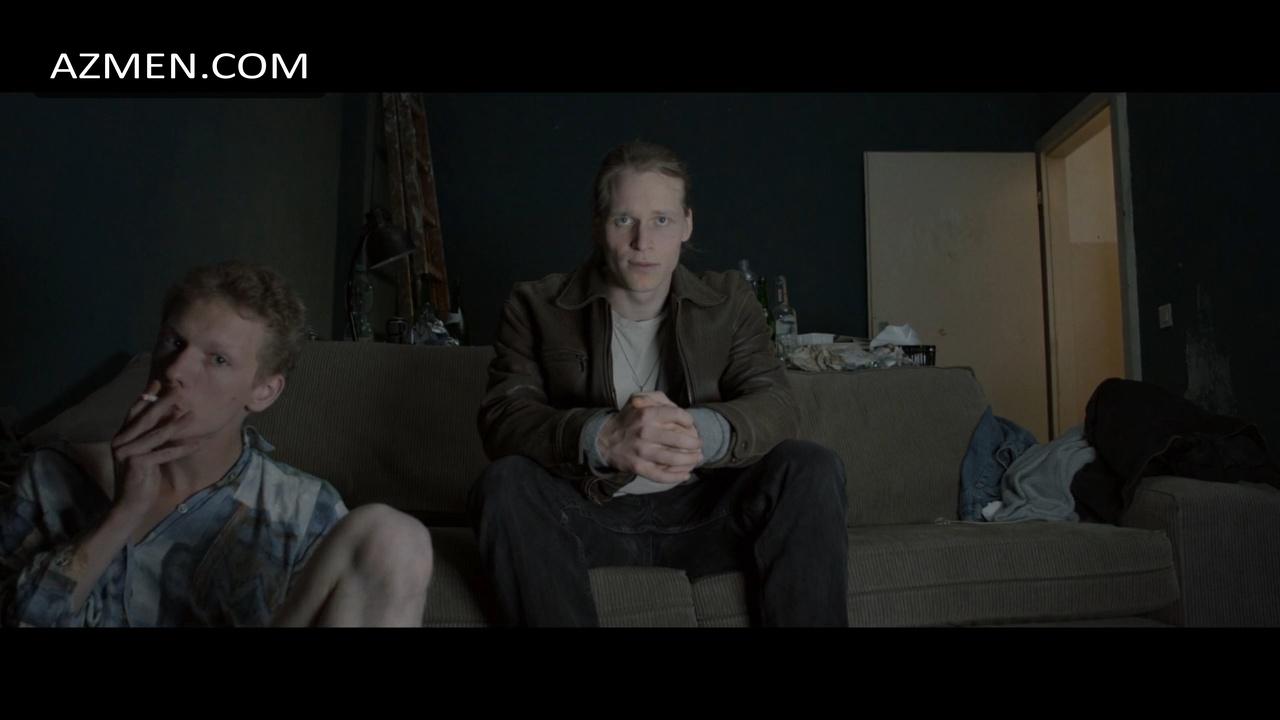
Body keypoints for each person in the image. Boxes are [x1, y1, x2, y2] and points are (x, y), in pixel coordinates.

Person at [469, 140, 849, 626]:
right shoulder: (535, 305)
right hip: (587, 514)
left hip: (709, 514)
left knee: (811, 465)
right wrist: (602, 438)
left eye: (662, 220)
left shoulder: (728, 301)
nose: (642, 242)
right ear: (598, 225)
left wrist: (700, 432)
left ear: (687, 224)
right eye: (624, 219)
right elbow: (504, 418)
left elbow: (776, 404)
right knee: (503, 483)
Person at [0, 261, 434, 627]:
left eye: (218, 359)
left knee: (395, 537)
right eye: (174, 342)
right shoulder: (52, 475)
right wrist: (124, 512)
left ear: (263, 392)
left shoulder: (305, 511)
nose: (176, 370)